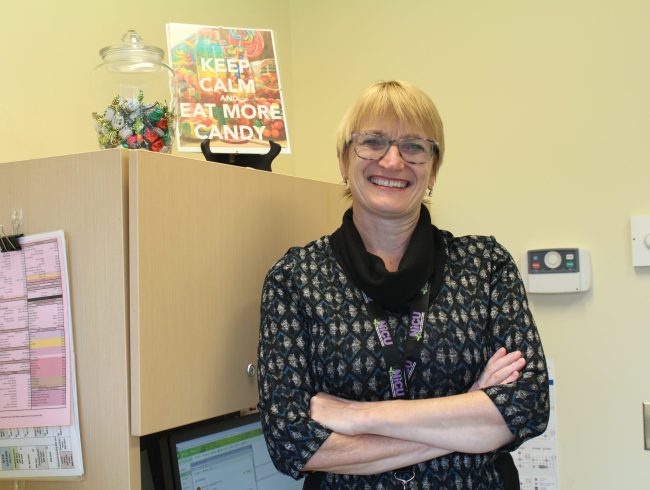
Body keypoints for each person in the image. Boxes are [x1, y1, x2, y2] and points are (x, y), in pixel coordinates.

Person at [257, 80, 549, 489]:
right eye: (373, 142)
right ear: (344, 161)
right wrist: (472, 408)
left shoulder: (486, 266)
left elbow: (527, 407)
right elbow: (292, 443)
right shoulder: (296, 279)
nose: (392, 161)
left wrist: (358, 417)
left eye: (414, 146)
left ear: (433, 169)